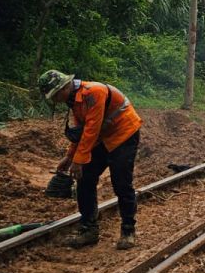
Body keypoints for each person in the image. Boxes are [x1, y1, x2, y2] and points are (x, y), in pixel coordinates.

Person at [39, 70, 142, 250]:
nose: (55, 100)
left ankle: (128, 230)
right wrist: (70, 156)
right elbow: (81, 130)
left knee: (121, 182)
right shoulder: (74, 101)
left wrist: (78, 160)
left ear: (64, 87)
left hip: (123, 134)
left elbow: (91, 129)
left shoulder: (94, 93)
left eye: (55, 96)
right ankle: (88, 230)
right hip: (101, 137)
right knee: (85, 179)